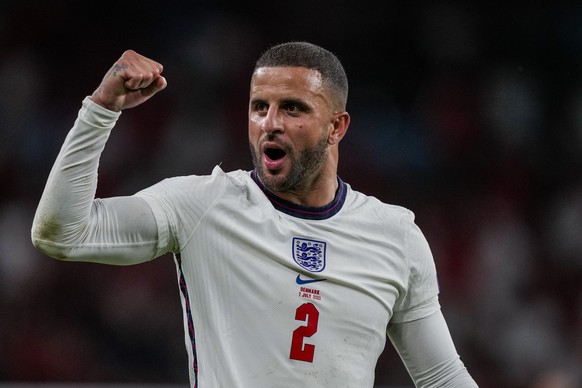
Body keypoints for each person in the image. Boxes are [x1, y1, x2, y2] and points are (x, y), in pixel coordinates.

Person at [31, 41, 478, 387]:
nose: (271, 123)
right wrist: (100, 111)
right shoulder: (203, 205)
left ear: (336, 127)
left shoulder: (395, 235)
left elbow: (440, 377)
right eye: (259, 107)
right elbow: (62, 233)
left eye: (293, 108)